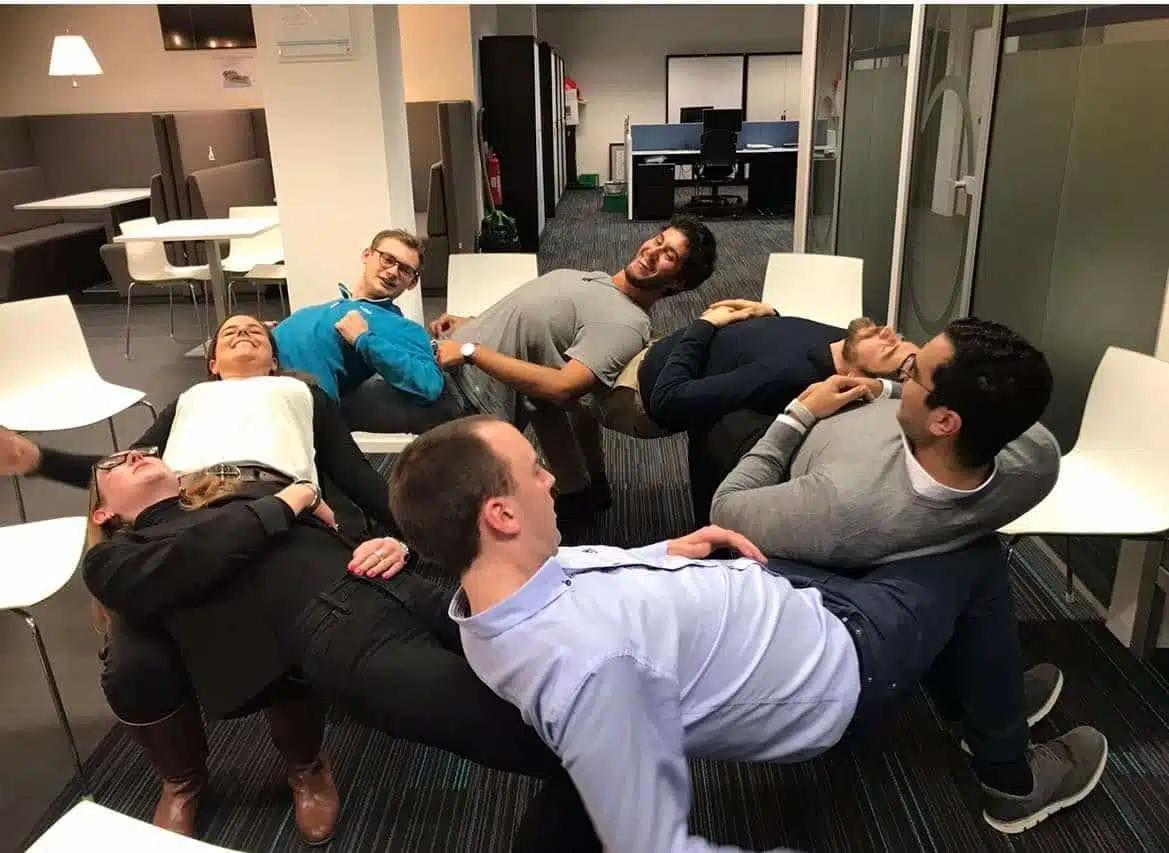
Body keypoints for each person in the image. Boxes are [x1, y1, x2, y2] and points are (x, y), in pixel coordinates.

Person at [388, 415, 1108, 853]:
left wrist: (667, 551)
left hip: (780, 597)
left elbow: (580, 572)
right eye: (534, 472)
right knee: (971, 553)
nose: (551, 479)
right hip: (839, 663)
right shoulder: (592, 670)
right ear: (502, 516)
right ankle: (1009, 777)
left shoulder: (493, 591)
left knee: (892, 539)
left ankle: (980, 699)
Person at [0, 313, 401, 840]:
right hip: (175, 510)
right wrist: (38, 460)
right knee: (132, 664)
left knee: (281, 626)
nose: (243, 333)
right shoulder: (191, 400)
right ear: (212, 363)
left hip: (270, 504)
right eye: (229, 333)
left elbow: (356, 475)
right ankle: (182, 780)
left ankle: (305, 766)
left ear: (275, 361)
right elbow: (115, 467)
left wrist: (418, 534)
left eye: (256, 332)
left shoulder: (302, 394)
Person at [66, 447, 587, 851]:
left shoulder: (239, 495)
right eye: (114, 462)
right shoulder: (114, 560)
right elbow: (204, 553)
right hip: (334, 628)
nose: (134, 455)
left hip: (389, 582)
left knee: (555, 653)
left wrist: (386, 543)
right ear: (104, 513)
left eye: (143, 451)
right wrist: (291, 499)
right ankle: (614, 773)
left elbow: (339, 527)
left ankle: (616, 759)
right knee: (532, 734)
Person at [358, 215, 716, 516]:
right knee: (340, 374)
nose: (652, 251)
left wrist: (470, 350)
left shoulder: (625, 323)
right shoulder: (599, 281)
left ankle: (356, 524)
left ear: (678, 281)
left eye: (669, 255)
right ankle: (582, 491)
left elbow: (565, 387)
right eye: (658, 240)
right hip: (446, 357)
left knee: (336, 405)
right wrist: (469, 323)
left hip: (460, 390)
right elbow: (533, 320)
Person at [708, 317, 1061, 567]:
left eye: (910, 375)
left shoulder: (839, 508)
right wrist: (881, 388)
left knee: (717, 406)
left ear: (944, 422)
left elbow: (725, 508)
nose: (902, 380)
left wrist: (798, 414)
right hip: (848, 403)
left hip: (787, 443)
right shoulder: (1038, 458)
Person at [599, 302, 917, 440]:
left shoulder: (786, 376)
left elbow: (667, 400)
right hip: (662, 343)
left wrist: (704, 325)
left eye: (889, 350)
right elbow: (788, 341)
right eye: (900, 338)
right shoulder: (844, 340)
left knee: (570, 403)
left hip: (633, 388)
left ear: (856, 380)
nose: (888, 332)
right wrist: (770, 315)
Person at [272, 229, 459, 434]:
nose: (393, 272)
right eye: (388, 260)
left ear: (412, 283)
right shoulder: (336, 305)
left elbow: (430, 384)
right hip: (255, 379)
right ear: (367, 255)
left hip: (291, 409)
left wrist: (364, 339)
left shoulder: (399, 326)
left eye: (405, 270)